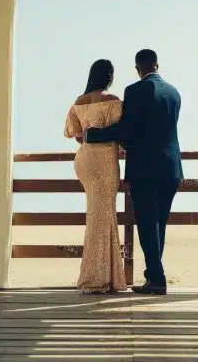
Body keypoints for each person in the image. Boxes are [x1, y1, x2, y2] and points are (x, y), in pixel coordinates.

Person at [84, 49, 182, 296]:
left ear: (138, 68)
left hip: (145, 168)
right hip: (172, 167)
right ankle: (153, 275)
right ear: (157, 65)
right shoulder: (174, 92)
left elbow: (128, 128)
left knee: (148, 225)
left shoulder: (135, 91)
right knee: (159, 223)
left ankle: (157, 279)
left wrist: (94, 135)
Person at [63, 59, 127, 294]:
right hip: (105, 160)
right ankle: (95, 278)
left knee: (99, 214)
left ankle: (106, 276)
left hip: (84, 160)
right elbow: (123, 131)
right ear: (109, 76)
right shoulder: (112, 102)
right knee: (102, 214)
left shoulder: (78, 103)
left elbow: (76, 135)